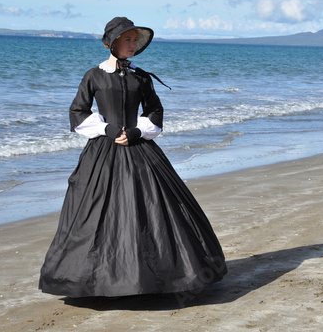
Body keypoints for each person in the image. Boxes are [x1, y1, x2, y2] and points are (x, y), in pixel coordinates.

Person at [39, 17, 227, 298]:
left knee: (152, 211)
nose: (133, 44)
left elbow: (156, 113)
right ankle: (97, 281)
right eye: (127, 39)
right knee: (94, 213)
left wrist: (139, 131)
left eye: (135, 39)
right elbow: (77, 113)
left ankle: (157, 279)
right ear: (110, 44)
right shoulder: (94, 75)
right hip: (103, 151)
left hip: (141, 150)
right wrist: (107, 128)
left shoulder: (142, 76)